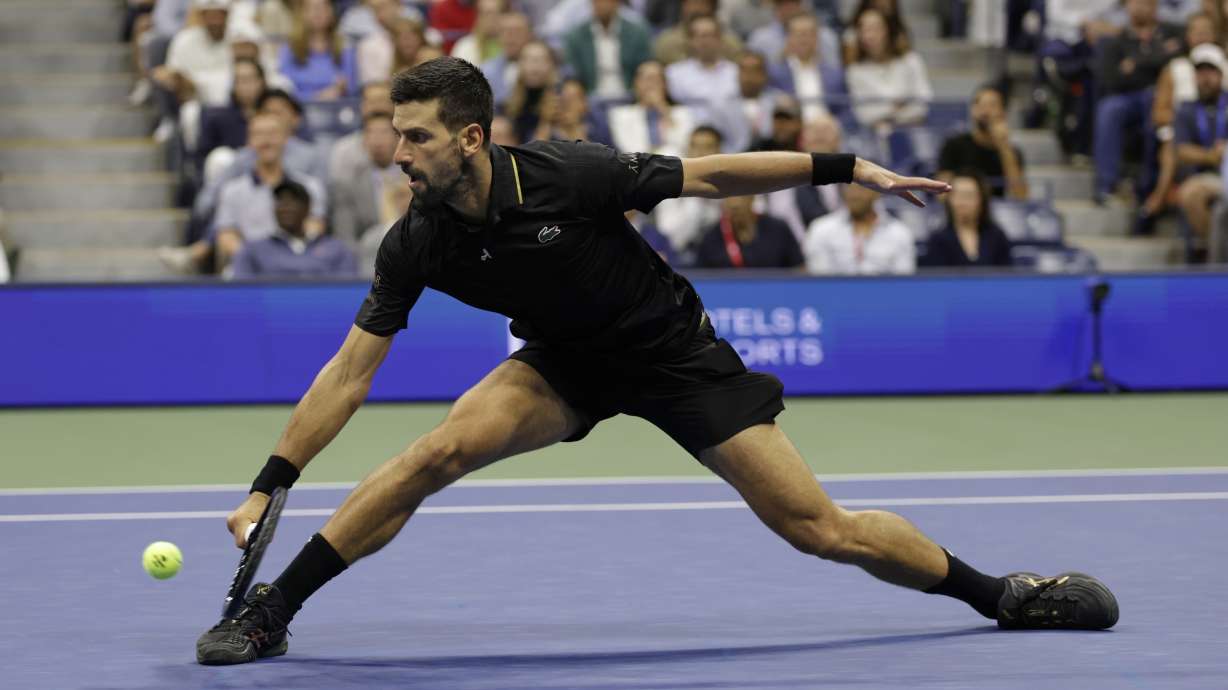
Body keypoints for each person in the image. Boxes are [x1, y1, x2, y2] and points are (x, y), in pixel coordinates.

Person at [194, 57, 1119, 667]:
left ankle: (1004, 595)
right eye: (397, 135)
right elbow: (350, 372)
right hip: (563, 364)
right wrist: (272, 480)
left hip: (672, 355)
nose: (400, 154)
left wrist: (847, 168)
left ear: (470, 138)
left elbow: (711, 176)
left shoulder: (568, 174)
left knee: (817, 528)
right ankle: (272, 611)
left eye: (418, 137)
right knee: (433, 453)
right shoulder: (418, 242)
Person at [1092, 0, 1184, 204]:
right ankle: (1106, 184)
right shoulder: (1117, 41)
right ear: (1127, 7)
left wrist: (1137, 62)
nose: (1143, 7)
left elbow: (1177, 61)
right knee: (1108, 109)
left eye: (1148, 2)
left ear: (1156, 6)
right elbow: (1111, 80)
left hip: (1164, 97)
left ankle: (1148, 186)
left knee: (1157, 109)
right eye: (1137, 2)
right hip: (1129, 97)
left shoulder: (1174, 31)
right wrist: (1158, 55)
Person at [213, 112, 327, 267]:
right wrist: (253, 260)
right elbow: (226, 235)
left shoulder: (310, 186)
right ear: (249, 141)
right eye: (259, 134)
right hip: (251, 270)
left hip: (299, 266)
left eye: (273, 134)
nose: (266, 141)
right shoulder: (232, 190)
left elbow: (315, 226)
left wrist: (293, 258)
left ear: (286, 138)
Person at [1146, 11, 1220, 217]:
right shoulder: (1175, 68)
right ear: (1188, 36)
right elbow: (1158, 113)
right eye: (1197, 32)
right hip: (1185, 132)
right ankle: (1157, 201)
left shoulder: (1224, 65)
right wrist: (1190, 121)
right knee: (1173, 145)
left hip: (1220, 134)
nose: (1202, 37)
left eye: (1207, 32)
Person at [231, 180, 358, 279]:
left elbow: (347, 296)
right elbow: (242, 295)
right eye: (280, 201)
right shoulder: (253, 250)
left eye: (293, 201)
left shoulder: (336, 249)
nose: (285, 207)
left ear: (308, 208)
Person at [844, 6, 932, 131]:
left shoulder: (911, 61)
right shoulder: (855, 71)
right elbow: (863, 115)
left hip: (913, 131)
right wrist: (898, 105)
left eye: (875, 28)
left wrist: (884, 113)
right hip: (874, 136)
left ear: (889, 30)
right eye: (863, 30)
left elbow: (923, 102)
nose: (869, 35)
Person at [1174, 44, 1228, 244]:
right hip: (1207, 177)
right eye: (1200, 72)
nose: (1205, 78)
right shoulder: (1186, 110)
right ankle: (1218, 255)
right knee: (1190, 193)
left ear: (1221, 75)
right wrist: (1210, 155)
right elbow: (1182, 151)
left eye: (1211, 71)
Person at [937, 85, 1029, 199]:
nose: (985, 111)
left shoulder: (1011, 152)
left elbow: (1021, 195)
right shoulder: (954, 145)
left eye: (992, 105)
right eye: (979, 104)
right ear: (972, 110)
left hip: (996, 211)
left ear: (1003, 112)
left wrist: (1004, 147)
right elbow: (942, 195)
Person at [804, 182, 916, 274]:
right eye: (849, 188)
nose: (854, 195)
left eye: (861, 188)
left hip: (885, 299)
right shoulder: (821, 229)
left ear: (878, 192)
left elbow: (902, 283)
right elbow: (819, 281)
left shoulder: (899, 233)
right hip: (834, 298)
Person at [765, 112, 845, 242]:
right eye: (813, 130)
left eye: (826, 130)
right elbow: (781, 215)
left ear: (838, 141)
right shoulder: (786, 175)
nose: (820, 135)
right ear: (802, 140)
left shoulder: (853, 177)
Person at [652, 125, 727, 260]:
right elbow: (672, 237)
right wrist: (696, 193)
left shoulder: (729, 183)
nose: (700, 153)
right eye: (695, 146)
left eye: (708, 147)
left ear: (719, 150)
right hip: (680, 256)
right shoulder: (672, 182)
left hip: (720, 257)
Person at [330, 112, 401, 248]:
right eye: (371, 133)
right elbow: (345, 238)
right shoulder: (348, 184)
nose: (377, 139)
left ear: (397, 138)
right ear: (363, 140)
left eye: (384, 132)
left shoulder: (414, 177)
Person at [562, 0, 653, 101]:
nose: (602, 5)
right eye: (597, 1)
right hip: (590, 98)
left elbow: (645, 64)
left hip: (630, 95)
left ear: (617, 3)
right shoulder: (576, 36)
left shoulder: (636, 32)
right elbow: (572, 72)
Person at [608, 60, 703, 156]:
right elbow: (630, 149)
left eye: (657, 79)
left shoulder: (683, 113)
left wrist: (664, 111)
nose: (652, 84)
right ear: (636, 83)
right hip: (639, 168)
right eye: (647, 78)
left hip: (674, 166)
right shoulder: (620, 114)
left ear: (665, 85)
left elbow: (683, 146)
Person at [766, 12, 848, 123]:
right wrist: (776, 98)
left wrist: (836, 124)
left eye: (808, 34)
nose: (804, 39)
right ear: (789, 38)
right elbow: (764, 96)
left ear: (817, 38)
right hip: (792, 131)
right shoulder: (774, 72)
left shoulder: (835, 74)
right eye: (798, 34)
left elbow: (846, 110)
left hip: (827, 130)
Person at [922, 171, 1013, 268]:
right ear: (949, 200)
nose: (963, 202)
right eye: (958, 195)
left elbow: (1007, 275)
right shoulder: (938, 239)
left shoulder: (997, 237)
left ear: (981, 200)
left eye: (969, 196)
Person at [277, 0, 359, 101]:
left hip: (337, 108)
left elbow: (353, 88)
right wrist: (317, 97)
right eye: (312, 8)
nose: (318, 12)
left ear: (332, 12)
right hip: (298, 109)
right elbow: (284, 90)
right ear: (302, 13)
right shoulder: (289, 49)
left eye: (323, 7)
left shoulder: (346, 48)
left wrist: (343, 89)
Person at [696, 195, 805, 268]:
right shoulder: (711, 238)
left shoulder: (778, 230)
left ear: (752, 197)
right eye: (729, 196)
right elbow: (701, 279)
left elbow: (799, 269)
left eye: (741, 196)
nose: (735, 204)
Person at [664, 14, 740, 108]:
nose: (706, 41)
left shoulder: (736, 72)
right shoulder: (674, 73)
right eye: (701, 36)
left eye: (711, 35)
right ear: (690, 41)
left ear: (720, 39)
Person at [653, 0, 744, 65]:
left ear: (713, 7)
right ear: (682, 6)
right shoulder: (667, 42)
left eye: (702, 3)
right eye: (691, 3)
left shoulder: (731, 44)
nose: (696, 9)